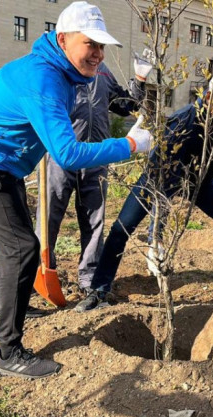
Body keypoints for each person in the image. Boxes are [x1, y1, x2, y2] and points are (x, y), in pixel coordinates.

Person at [0, 1, 152, 379]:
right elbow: (69, 153)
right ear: (63, 39)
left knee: (19, 243)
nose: (98, 54)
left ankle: (5, 303)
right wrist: (131, 145)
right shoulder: (44, 77)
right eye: (90, 44)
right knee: (23, 247)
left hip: (3, 158)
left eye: (102, 46)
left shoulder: (68, 72)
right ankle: (9, 352)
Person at [76, 69, 213, 322]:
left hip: (200, 181)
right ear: (211, 97)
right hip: (159, 177)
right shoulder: (185, 121)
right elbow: (162, 179)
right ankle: (99, 292)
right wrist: (155, 236)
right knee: (121, 229)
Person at [37, 53, 152, 300]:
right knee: (49, 217)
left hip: (96, 156)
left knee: (94, 219)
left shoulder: (102, 71)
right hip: (61, 156)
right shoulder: (58, 71)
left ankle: (89, 277)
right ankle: (41, 270)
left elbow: (125, 105)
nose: (95, 51)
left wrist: (140, 79)